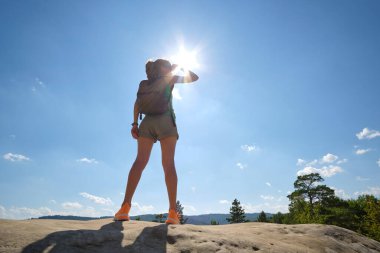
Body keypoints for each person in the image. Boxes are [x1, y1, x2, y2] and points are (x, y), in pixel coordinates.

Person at [114, 58, 199, 224]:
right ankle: (173, 213)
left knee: (139, 162)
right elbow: (194, 77)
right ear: (164, 68)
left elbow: (137, 103)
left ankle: (124, 208)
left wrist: (134, 124)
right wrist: (179, 66)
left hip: (147, 122)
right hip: (166, 121)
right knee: (168, 165)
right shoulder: (170, 78)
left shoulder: (144, 84)